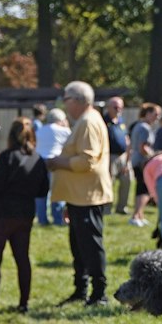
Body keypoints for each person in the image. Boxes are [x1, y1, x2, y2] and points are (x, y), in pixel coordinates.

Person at [50, 82, 112, 305]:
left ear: (76, 100)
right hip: (80, 195)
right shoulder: (87, 120)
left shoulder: (87, 122)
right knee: (79, 246)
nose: (65, 105)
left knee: (90, 246)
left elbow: (87, 161)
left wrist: (60, 162)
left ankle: (98, 293)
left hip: (88, 195)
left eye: (66, 100)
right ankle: (81, 290)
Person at [0, 117, 46, 313]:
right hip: (25, 213)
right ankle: (23, 304)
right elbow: (43, 190)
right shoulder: (37, 159)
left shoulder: (7, 156)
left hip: (2, 213)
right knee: (22, 259)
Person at [35, 106, 71, 225]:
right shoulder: (64, 131)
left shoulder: (40, 130)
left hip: (40, 162)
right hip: (56, 161)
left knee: (41, 192)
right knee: (57, 192)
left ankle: (42, 219)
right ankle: (58, 219)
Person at [128, 102, 162, 226]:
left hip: (137, 161)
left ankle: (140, 215)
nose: (157, 118)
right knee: (144, 189)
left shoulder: (138, 125)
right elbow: (143, 147)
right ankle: (136, 215)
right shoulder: (144, 128)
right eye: (155, 114)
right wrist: (154, 156)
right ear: (147, 114)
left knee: (140, 188)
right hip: (142, 163)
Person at [103, 96, 131, 215]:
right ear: (109, 107)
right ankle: (106, 209)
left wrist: (128, 156)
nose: (118, 109)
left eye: (120, 107)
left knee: (127, 181)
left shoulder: (121, 121)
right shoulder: (103, 121)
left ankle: (121, 207)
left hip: (123, 156)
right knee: (109, 183)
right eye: (115, 107)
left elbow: (127, 138)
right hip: (109, 157)